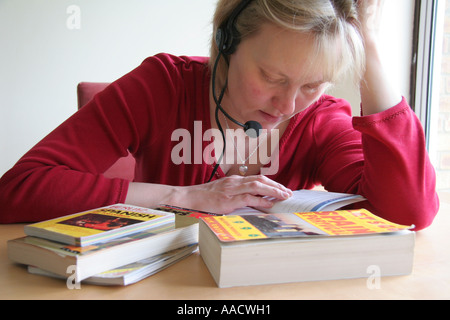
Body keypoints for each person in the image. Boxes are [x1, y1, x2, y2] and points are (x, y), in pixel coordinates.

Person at [0, 0, 439, 230]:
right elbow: (17, 189)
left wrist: (372, 49)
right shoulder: (161, 85)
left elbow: (408, 213)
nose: (287, 106)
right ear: (225, 44)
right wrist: (188, 198)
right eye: (271, 76)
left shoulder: (320, 119)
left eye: (311, 85)